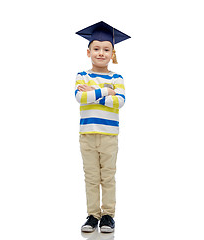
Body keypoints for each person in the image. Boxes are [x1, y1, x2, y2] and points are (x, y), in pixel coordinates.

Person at [75, 21, 130, 233]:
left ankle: (107, 215)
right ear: (88, 51)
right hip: (87, 134)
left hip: (109, 136)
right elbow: (81, 97)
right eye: (96, 49)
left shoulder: (118, 78)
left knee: (107, 176)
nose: (101, 53)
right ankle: (92, 215)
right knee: (90, 177)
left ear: (112, 53)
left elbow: (121, 102)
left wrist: (95, 92)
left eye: (106, 49)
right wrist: (107, 92)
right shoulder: (82, 76)